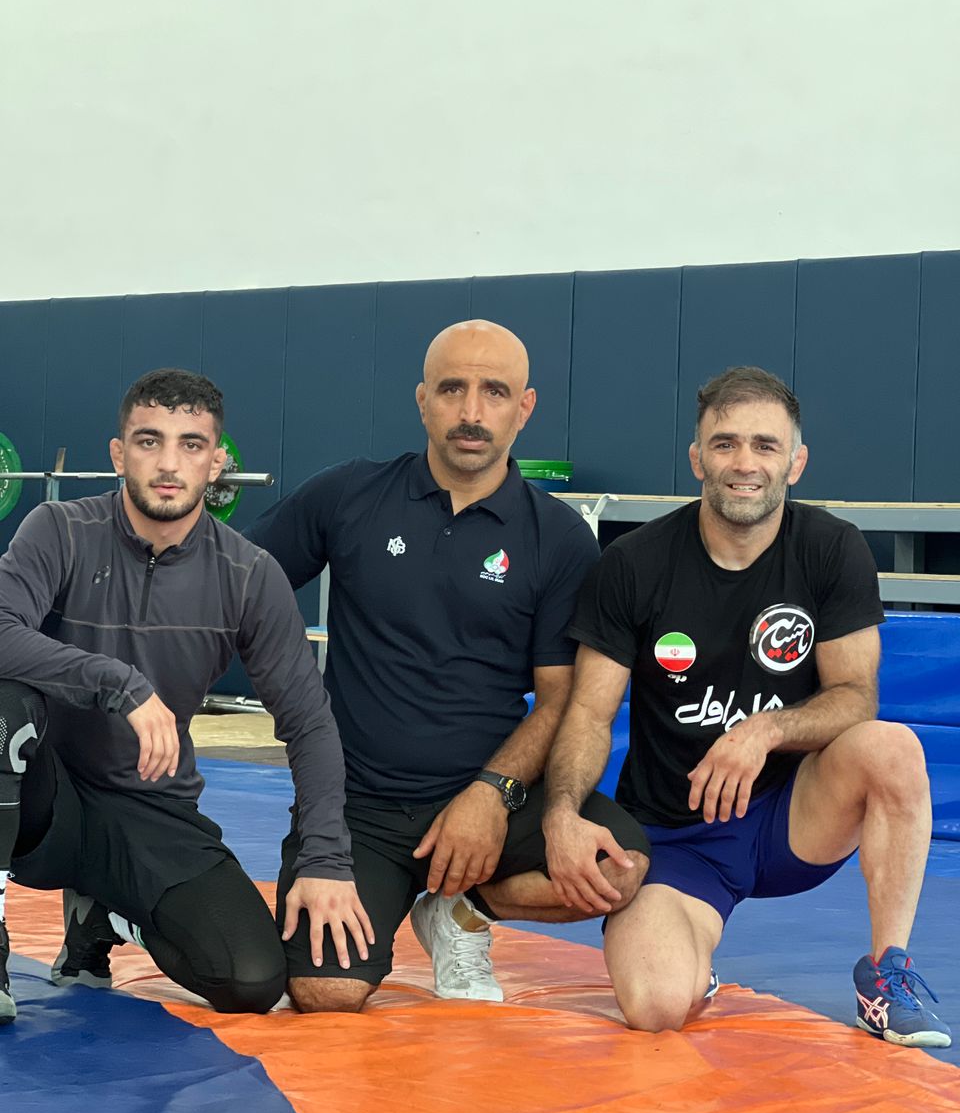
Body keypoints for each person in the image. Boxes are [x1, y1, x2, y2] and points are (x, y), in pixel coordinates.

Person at [245, 319, 650, 1011]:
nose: (471, 411)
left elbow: (559, 700)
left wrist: (491, 795)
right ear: (422, 400)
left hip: (490, 793)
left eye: (495, 392)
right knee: (325, 991)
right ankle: (397, 894)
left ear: (524, 408)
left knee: (619, 867)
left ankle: (461, 911)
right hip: (359, 804)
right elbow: (233, 585)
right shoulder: (349, 496)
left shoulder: (558, 537)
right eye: (452, 389)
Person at [543, 365, 951, 1048]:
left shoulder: (831, 548)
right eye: (725, 443)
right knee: (656, 1007)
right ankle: (687, 961)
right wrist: (561, 814)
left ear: (796, 462)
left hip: (791, 817)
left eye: (765, 445)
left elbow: (856, 697)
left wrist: (764, 731)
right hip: (678, 834)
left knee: (891, 747)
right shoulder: (635, 563)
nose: (744, 463)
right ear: (697, 458)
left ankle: (887, 975)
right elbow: (587, 713)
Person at [0, 369, 370, 1023]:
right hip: (43, 799)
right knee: (4, 705)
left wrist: (325, 857)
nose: (169, 464)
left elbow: (309, 722)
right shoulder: (59, 529)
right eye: (150, 441)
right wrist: (119, 684)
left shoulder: (248, 575)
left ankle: (104, 917)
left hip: (149, 807)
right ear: (119, 454)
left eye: (191, 445)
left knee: (250, 979)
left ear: (216, 462)